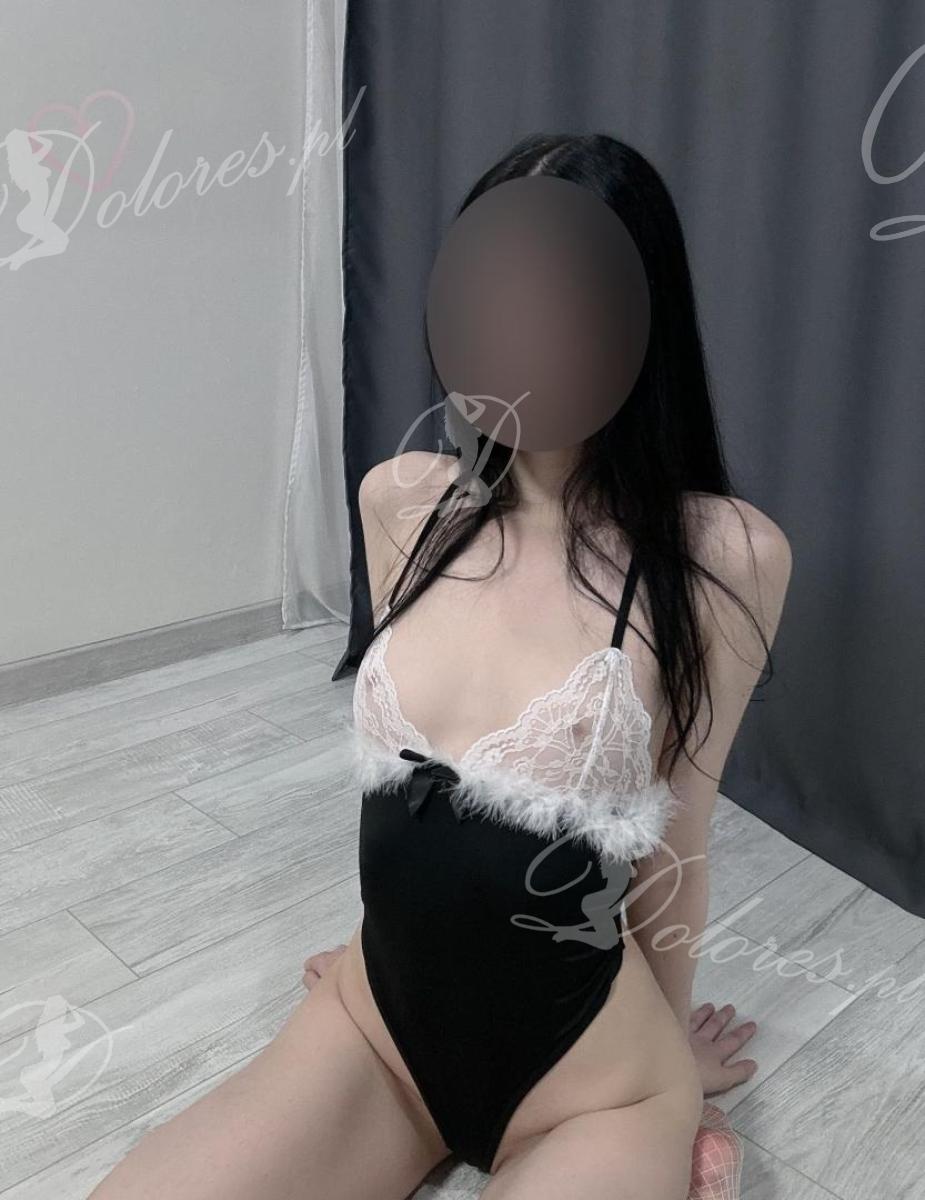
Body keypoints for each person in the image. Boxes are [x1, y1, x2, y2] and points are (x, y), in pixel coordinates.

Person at [88, 133, 790, 1200]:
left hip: (591, 1081)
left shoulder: (720, 557)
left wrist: (674, 1057)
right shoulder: (402, 502)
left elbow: (675, 839)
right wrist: (390, 939)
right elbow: (413, 797)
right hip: (378, 1027)